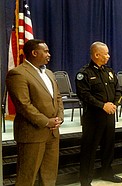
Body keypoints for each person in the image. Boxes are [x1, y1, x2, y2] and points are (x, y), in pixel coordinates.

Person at [6, 39, 64, 186]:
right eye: (45, 51)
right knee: (27, 176)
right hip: (32, 134)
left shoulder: (49, 73)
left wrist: (59, 118)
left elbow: (58, 97)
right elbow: (24, 105)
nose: (49, 54)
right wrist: (46, 121)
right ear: (34, 53)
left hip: (53, 132)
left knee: (49, 174)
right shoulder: (18, 74)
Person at [75, 41, 122, 186]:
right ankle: (85, 179)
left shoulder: (109, 71)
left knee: (109, 146)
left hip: (109, 115)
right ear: (96, 54)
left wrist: (114, 104)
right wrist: (102, 106)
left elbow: (118, 90)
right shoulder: (84, 73)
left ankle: (107, 172)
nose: (108, 56)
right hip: (93, 117)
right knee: (89, 148)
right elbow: (84, 95)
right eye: (106, 53)